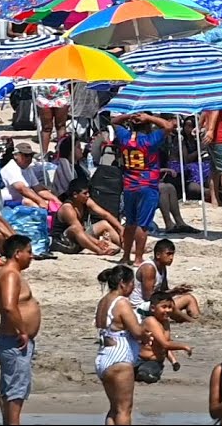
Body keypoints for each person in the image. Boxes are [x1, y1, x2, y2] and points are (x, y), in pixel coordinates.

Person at [112, 112, 175, 266]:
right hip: (147, 185)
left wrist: (128, 116)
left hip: (129, 185)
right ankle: (138, 258)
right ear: (148, 126)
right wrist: (149, 117)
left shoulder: (125, 138)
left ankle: (126, 256)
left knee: (130, 223)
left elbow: (114, 121)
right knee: (143, 224)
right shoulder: (150, 140)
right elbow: (169, 126)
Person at [95, 265, 150, 426]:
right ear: (122, 283)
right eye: (132, 283)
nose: (133, 288)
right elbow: (137, 332)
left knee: (115, 409)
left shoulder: (104, 301)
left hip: (104, 355)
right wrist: (146, 335)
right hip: (119, 357)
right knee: (124, 409)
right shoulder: (121, 302)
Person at [0, 235, 38, 426]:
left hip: (13, 339)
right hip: (15, 341)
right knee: (15, 391)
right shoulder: (11, 275)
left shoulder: (10, 273)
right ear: (17, 253)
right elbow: (9, 306)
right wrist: (22, 331)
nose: (32, 256)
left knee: (11, 388)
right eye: (29, 252)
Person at [132, 239, 200, 323]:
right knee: (170, 306)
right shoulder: (149, 268)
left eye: (172, 254)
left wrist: (176, 291)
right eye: (168, 254)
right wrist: (172, 294)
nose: (171, 258)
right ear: (158, 255)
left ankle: (197, 319)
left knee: (189, 298)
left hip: (154, 303)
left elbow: (164, 292)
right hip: (141, 307)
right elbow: (149, 297)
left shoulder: (162, 266)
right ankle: (193, 322)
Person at [50, 180, 122, 256]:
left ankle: (126, 246)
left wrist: (121, 228)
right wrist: (98, 242)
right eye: (85, 193)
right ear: (75, 195)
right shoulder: (67, 208)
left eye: (88, 192)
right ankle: (100, 251)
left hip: (80, 237)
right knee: (75, 228)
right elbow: (78, 229)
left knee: (104, 223)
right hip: (64, 242)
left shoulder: (85, 201)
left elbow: (105, 214)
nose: (88, 195)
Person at [135, 291, 192, 384]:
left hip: (154, 362)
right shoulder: (150, 321)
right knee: (130, 371)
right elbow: (165, 344)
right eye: (164, 307)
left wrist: (174, 362)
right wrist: (184, 346)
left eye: (170, 307)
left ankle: (145, 373)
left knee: (145, 373)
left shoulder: (166, 323)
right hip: (139, 359)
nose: (168, 310)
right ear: (153, 308)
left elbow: (165, 346)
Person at [0, 143, 58, 209]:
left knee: (50, 203)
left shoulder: (28, 168)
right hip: (7, 201)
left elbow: (38, 189)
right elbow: (21, 189)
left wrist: (56, 200)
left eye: (31, 155)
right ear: (15, 155)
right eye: (26, 155)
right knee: (30, 202)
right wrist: (41, 201)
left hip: (22, 199)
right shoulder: (11, 168)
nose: (29, 158)